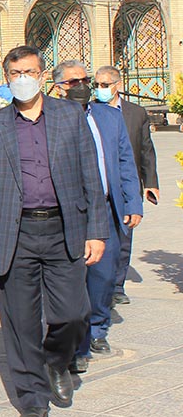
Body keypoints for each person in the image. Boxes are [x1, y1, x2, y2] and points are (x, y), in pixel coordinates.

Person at [0, 45, 107, 417]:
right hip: (14, 234)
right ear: (6, 78)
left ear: (43, 76)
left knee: (73, 314)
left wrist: (96, 231)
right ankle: (31, 399)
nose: (23, 79)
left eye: (29, 72)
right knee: (20, 323)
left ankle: (57, 361)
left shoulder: (69, 116)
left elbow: (90, 177)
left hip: (63, 229)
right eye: (15, 73)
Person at [52, 61, 142, 373]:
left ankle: (98, 329)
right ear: (59, 87)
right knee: (73, 280)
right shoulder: (52, 119)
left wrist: (133, 203)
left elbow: (125, 161)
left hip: (105, 208)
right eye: (73, 81)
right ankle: (77, 344)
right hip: (68, 213)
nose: (82, 86)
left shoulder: (109, 116)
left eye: (85, 79)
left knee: (103, 277)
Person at [93, 65, 159, 306]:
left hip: (127, 185)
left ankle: (117, 286)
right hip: (100, 184)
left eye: (105, 85)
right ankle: (99, 285)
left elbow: (146, 149)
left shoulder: (136, 113)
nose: (100, 89)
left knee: (123, 237)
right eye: (97, 85)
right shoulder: (90, 111)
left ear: (117, 85)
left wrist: (150, 182)